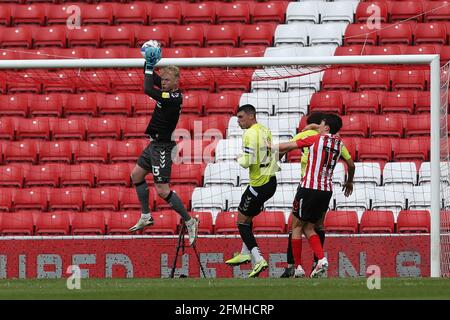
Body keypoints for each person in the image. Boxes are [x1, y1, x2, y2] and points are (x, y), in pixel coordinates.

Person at [129, 43, 199, 247]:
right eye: (164, 80)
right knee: (136, 176)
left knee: (161, 190)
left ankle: (189, 221)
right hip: (153, 145)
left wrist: (150, 67)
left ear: (177, 82)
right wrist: (149, 61)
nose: (164, 83)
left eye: (168, 80)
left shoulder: (174, 97)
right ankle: (145, 216)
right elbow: (150, 77)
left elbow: (148, 87)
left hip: (163, 147)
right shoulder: (168, 90)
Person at [273, 113, 355, 278]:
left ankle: (297, 267)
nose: (317, 127)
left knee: (296, 227)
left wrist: (267, 145)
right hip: (326, 191)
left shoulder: (314, 139)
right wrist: (349, 181)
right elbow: (351, 165)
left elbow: (285, 146)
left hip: (308, 188)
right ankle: (321, 259)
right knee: (311, 227)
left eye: (321, 125)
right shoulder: (339, 144)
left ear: (326, 127)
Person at [224, 104, 280, 278]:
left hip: (258, 185)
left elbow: (247, 162)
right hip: (271, 181)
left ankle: (258, 258)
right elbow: (272, 152)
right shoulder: (264, 130)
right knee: (247, 218)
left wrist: (238, 158)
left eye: (240, 117)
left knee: (241, 222)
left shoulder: (249, 134)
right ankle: (245, 252)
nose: (238, 121)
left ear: (251, 116)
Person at [279, 112, 328, 278]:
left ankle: (293, 266)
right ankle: (317, 263)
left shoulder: (305, 135)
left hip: (306, 185)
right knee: (317, 226)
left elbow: (285, 148)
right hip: (324, 187)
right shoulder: (331, 139)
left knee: (296, 226)